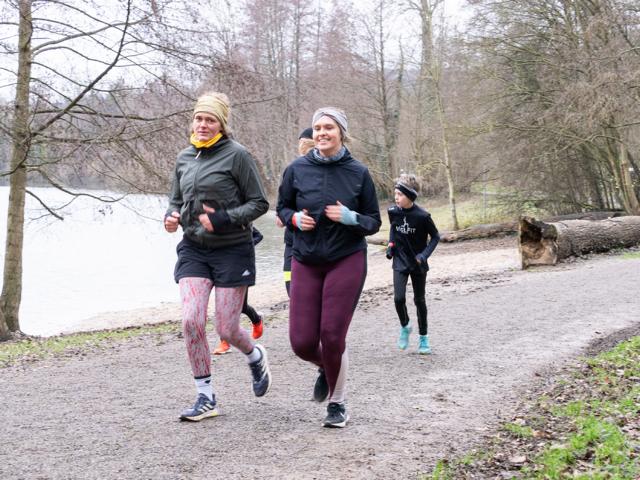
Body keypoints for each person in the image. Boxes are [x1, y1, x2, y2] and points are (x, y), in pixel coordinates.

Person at [164, 92, 271, 422]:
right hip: (194, 249)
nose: (203, 124)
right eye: (198, 118)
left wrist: (224, 218)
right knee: (191, 321)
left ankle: (255, 355)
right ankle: (205, 397)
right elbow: (176, 200)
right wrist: (171, 216)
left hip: (233, 250)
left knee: (226, 329)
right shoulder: (185, 157)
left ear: (221, 125)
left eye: (210, 120)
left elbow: (259, 203)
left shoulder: (237, 156)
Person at [277, 108, 381, 428]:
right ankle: (327, 365)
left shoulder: (358, 172)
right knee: (301, 343)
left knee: (332, 335)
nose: (322, 133)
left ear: (341, 133)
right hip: (306, 259)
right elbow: (281, 208)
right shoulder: (296, 169)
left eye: (329, 127)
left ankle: (337, 403)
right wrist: (294, 219)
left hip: (346, 258)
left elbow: (373, 221)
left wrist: (351, 218)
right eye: (318, 127)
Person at [386, 176, 440, 354]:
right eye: (395, 193)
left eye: (400, 194)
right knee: (398, 299)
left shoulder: (423, 216)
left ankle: (423, 338)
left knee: (419, 300)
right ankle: (405, 326)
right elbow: (394, 228)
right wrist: (391, 244)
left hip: (418, 263)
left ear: (410, 196)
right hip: (400, 260)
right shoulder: (393, 211)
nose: (396, 197)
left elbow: (436, 237)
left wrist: (423, 255)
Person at [213, 227, 265, 354]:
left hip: (241, 265)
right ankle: (224, 343)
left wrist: (244, 247)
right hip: (222, 267)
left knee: (241, 306)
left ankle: (257, 320)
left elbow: (258, 236)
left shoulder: (238, 221)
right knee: (222, 306)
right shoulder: (213, 223)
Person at [276, 127, 315, 296]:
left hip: (312, 243)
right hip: (292, 241)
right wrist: (287, 217)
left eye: (302, 142)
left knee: (299, 291)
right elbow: (281, 209)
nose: (300, 146)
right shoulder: (292, 170)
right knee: (292, 289)